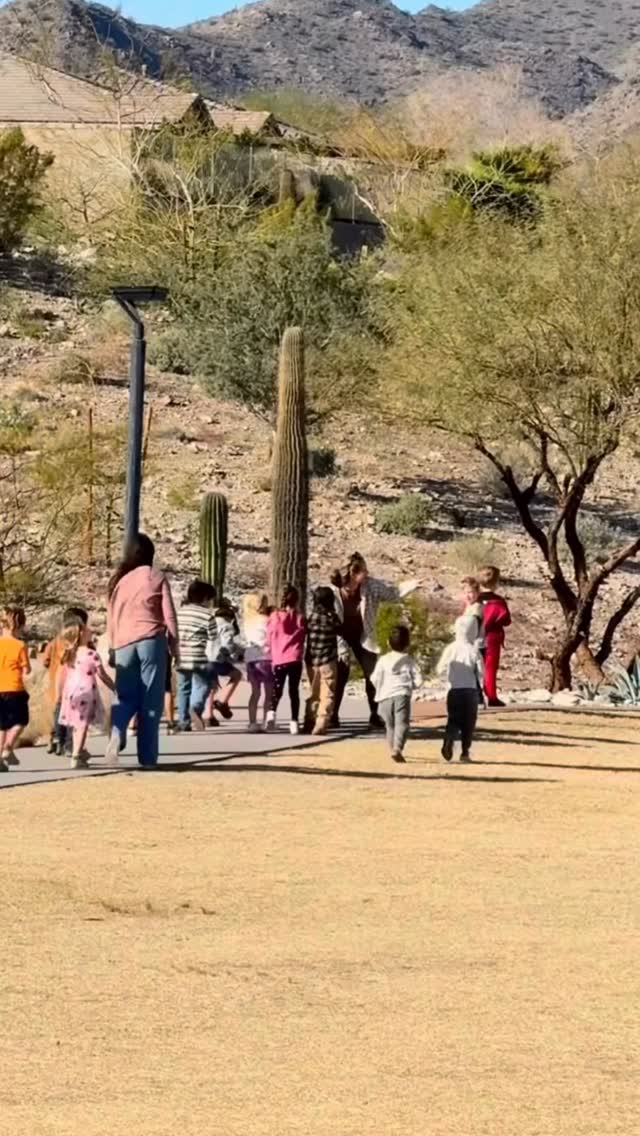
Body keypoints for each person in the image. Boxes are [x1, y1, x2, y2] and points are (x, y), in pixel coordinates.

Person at [106, 533, 179, 769]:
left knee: (125, 696)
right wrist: (175, 646)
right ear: (150, 554)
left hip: (123, 644)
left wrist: (112, 646)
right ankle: (148, 758)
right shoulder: (155, 576)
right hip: (151, 641)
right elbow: (169, 615)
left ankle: (117, 733)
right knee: (151, 699)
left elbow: (111, 617)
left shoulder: (119, 581)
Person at [330, 553, 419, 729]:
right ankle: (333, 715)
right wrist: (342, 649)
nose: (367, 572)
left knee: (372, 676)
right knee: (340, 675)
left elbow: (392, 594)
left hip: (365, 635)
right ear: (354, 573)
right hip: (340, 636)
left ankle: (374, 715)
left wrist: (410, 586)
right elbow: (333, 622)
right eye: (363, 570)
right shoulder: (334, 592)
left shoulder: (370, 586)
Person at [58, 616, 115, 769]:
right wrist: (114, 686)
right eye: (86, 628)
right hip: (87, 693)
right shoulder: (91, 654)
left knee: (77, 724)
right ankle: (76, 756)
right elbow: (102, 674)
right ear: (81, 633)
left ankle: (79, 751)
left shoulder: (70, 653)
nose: (90, 630)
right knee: (83, 725)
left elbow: (66, 675)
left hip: (71, 693)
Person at [437, 612, 485, 763]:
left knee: (453, 719)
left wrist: (446, 678)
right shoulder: (474, 650)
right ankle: (465, 752)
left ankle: (449, 739)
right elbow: (482, 672)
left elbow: (440, 669)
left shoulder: (451, 648)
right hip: (470, 691)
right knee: (468, 723)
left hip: (454, 690)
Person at [371, 625, 422, 763]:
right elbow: (418, 679)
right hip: (402, 694)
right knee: (402, 724)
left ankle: (392, 748)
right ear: (408, 644)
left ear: (388, 642)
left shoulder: (383, 660)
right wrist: (413, 685)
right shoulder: (409, 660)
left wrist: (380, 687)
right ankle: (397, 749)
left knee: (390, 725)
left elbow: (374, 677)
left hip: (385, 696)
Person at [42, 605, 89, 756]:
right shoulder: (82, 644)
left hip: (56, 683)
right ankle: (70, 744)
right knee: (72, 715)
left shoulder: (54, 641)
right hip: (75, 685)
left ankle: (54, 739)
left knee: (57, 711)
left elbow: (45, 660)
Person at [176, 580, 218, 732]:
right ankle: (195, 707)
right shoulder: (207, 615)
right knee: (205, 684)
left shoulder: (180, 612)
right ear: (205, 598)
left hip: (180, 656)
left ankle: (183, 721)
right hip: (199, 656)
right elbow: (214, 637)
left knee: (183, 689)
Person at [266, 585, 306, 735]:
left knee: (277, 689)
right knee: (293, 691)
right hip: (295, 659)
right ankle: (294, 722)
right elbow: (302, 637)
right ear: (297, 600)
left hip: (278, 659)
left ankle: (271, 714)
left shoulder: (274, 617)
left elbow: (269, 638)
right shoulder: (300, 618)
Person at [305, 586, 339, 736]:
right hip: (328, 660)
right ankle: (322, 721)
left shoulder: (310, 618)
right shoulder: (333, 619)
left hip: (311, 660)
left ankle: (309, 719)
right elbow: (340, 629)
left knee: (313, 692)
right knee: (327, 693)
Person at [0, 606, 30, 771]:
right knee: (21, 721)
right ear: (19, 626)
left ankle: (0, 757)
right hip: (14, 688)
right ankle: (8, 747)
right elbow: (26, 669)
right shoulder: (19, 645)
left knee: (3, 725)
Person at [478, 566, 511, 708]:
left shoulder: (475, 599)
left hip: (475, 635)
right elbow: (506, 620)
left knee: (475, 667)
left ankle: (477, 696)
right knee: (490, 667)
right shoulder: (499, 601)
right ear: (496, 582)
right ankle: (491, 696)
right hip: (492, 637)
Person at [243, 593, 273, 733]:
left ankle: (252, 722)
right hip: (266, 657)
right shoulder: (267, 620)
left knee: (255, 693)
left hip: (251, 659)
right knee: (268, 693)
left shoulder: (247, 621)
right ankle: (266, 721)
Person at [209, 598, 243, 722]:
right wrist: (235, 654)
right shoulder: (227, 625)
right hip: (217, 659)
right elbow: (228, 644)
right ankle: (223, 701)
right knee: (237, 675)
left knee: (211, 685)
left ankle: (209, 715)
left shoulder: (210, 623)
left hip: (204, 658)